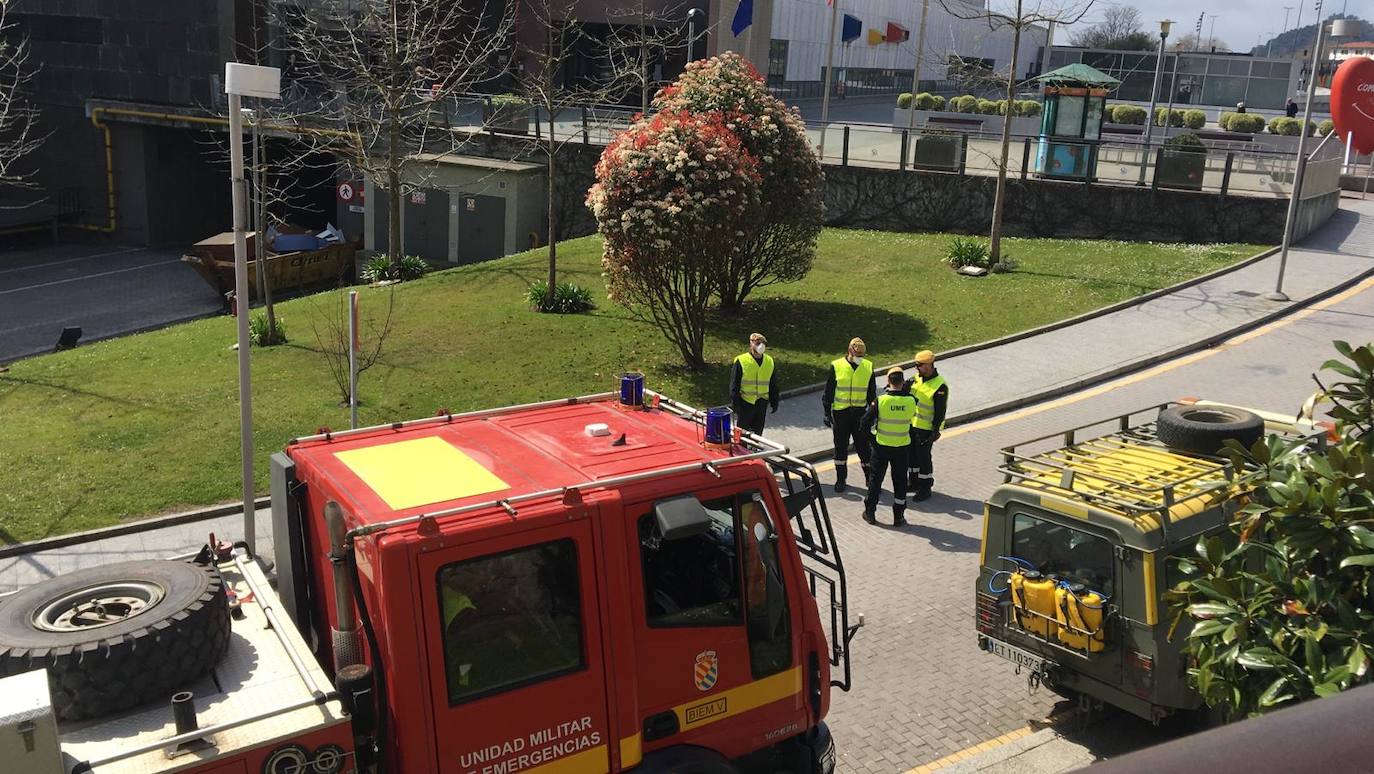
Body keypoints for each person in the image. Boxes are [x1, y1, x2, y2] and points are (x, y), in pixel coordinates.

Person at [861, 367, 916, 526]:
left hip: (881, 448)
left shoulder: (881, 401)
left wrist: (873, 440)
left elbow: (864, 423)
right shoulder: (911, 400)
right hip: (901, 448)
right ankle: (898, 516)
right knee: (900, 483)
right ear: (902, 381)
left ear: (888, 381)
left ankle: (870, 513)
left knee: (875, 481)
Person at [822, 337, 876, 493]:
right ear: (850, 351)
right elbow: (829, 391)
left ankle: (869, 477)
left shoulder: (868, 366)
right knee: (840, 448)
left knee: (864, 448)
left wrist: (872, 415)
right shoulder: (837, 366)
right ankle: (841, 479)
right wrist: (826, 412)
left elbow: (871, 393)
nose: (860, 358)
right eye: (857, 355)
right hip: (841, 414)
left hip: (860, 414)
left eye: (862, 356)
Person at [907, 350, 949, 502]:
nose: (917, 368)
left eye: (920, 365)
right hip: (912, 425)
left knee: (923, 459)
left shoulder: (939, 386)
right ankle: (913, 482)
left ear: (930, 365)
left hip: (926, 429)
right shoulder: (915, 380)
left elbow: (940, 411)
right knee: (911, 457)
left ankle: (925, 488)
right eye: (916, 365)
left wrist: (935, 430)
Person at [729, 332, 777, 434]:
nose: (761, 346)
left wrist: (774, 400)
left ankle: (755, 449)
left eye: (763, 343)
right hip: (745, 403)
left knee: (758, 433)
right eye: (758, 343)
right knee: (742, 433)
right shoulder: (741, 360)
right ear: (751, 344)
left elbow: (773, 383)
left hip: (762, 402)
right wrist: (735, 403)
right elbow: (734, 384)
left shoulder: (769, 361)